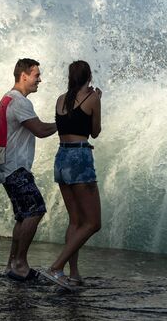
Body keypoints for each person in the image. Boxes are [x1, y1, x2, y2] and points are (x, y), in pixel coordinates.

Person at [0, 58, 57, 281]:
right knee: (36, 209)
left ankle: (12, 263)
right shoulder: (20, 101)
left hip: (5, 166)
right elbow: (39, 130)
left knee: (23, 216)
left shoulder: (6, 98)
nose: (39, 80)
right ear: (24, 76)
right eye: (36, 75)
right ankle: (20, 263)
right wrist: (65, 123)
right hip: (15, 167)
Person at [41, 60, 102, 290]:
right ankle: (57, 267)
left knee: (76, 220)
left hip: (61, 159)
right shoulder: (92, 98)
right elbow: (94, 133)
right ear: (89, 76)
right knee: (93, 223)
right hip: (79, 158)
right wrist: (98, 102)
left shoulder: (60, 99)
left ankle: (73, 273)